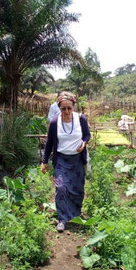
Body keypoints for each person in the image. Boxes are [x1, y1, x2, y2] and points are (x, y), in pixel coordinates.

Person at [41, 92, 91, 232]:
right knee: (61, 188)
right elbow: (49, 143)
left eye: (69, 108)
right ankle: (62, 219)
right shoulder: (54, 122)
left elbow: (87, 135)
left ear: (73, 106)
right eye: (63, 109)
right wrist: (44, 161)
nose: (67, 111)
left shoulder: (81, 119)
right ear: (59, 108)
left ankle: (75, 214)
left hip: (77, 160)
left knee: (77, 189)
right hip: (61, 160)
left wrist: (84, 142)